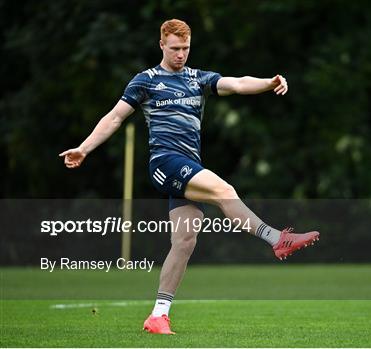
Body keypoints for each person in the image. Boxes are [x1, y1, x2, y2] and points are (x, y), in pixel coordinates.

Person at [60, 19, 319, 335]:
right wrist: (84, 148)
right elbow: (114, 117)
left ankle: (158, 316)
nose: (181, 54)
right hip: (166, 163)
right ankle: (277, 239)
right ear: (162, 45)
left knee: (184, 241)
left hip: (188, 167)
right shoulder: (146, 81)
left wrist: (269, 82)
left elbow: (236, 84)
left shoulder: (199, 79)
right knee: (224, 190)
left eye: (185, 48)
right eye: (175, 48)